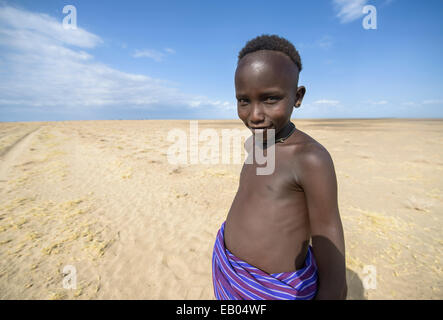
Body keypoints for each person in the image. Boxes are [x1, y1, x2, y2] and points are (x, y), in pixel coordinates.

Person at [212, 34, 347, 300]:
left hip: (274, 290)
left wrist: (334, 292)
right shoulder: (254, 143)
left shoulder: (310, 158)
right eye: (243, 101)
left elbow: (327, 233)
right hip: (230, 274)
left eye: (270, 99)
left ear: (297, 97)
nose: (255, 115)